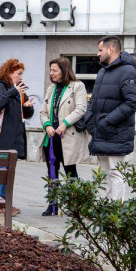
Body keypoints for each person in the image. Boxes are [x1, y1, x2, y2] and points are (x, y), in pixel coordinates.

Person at [78, 35, 136, 201]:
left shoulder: (128, 71)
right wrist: (89, 121)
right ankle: (106, 211)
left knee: (116, 173)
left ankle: (116, 212)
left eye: (100, 50)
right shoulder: (102, 72)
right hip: (101, 132)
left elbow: (132, 102)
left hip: (116, 133)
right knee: (106, 175)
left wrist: (107, 121)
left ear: (110, 49)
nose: (98, 54)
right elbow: (95, 100)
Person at [39, 57, 90, 216]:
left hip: (67, 136)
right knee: (51, 171)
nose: (51, 73)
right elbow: (43, 112)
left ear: (64, 70)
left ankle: (75, 206)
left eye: (55, 70)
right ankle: (52, 205)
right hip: (51, 137)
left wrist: (64, 124)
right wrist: (47, 125)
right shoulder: (50, 88)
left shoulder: (77, 86)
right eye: (51, 70)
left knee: (70, 171)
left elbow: (81, 109)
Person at [0, 58, 35, 216]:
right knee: (1, 169)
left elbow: (26, 114)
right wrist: (13, 91)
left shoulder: (18, 89)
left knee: (8, 171)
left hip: (14, 137)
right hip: (2, 138)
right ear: (8, 73)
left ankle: (4, 203)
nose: (20, 77)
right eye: (18, 74)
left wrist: (28, 107)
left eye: (22, 74)